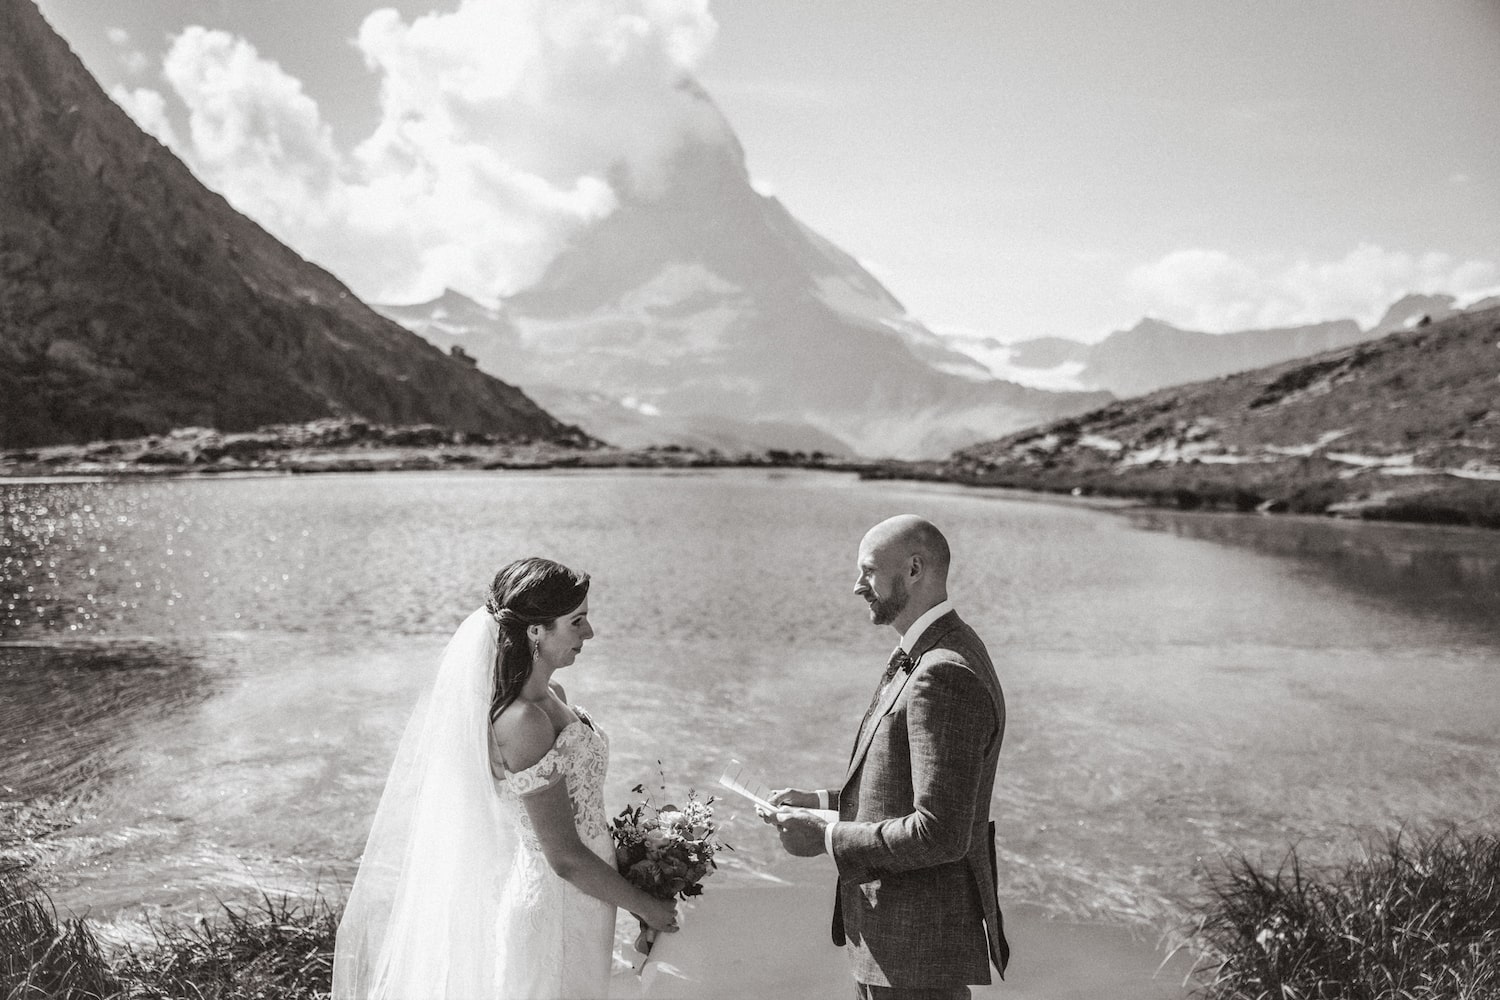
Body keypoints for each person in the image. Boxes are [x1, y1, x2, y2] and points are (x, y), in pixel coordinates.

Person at [332, 557, 677, 1000]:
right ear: (536, 630)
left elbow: (582, 812)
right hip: (557, 908)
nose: (588, 633)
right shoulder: (521, 723)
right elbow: (564, 856)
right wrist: (646, 907)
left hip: (590, 897)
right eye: (577, 622)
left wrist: (642, 868)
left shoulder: (555, 696)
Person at [762, 515, 1009, 999]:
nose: (857, 586)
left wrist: (826, 837)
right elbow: (903, 788)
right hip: (901, 952)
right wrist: (818, 801)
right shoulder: (940, 647)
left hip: (915, 955)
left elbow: (939, 834)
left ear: (914, 569)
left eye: (868, 571)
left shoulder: (942, 674)